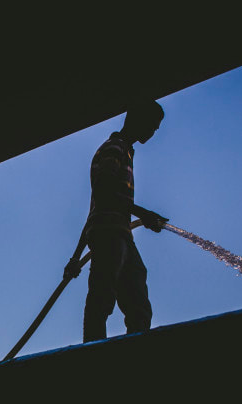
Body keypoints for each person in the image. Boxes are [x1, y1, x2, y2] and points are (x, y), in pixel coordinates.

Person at [63, 100, 168, 342]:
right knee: (101, 299)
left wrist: (75, 257)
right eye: (152, 125)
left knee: (138, 302)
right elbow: (104, 193)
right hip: (110, 235)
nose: (153, 132)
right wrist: (143, 214)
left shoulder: (125, 151)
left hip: (119, 234)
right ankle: (93, 348)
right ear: (136, 120)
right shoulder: (114, 148)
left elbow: (95, 210)